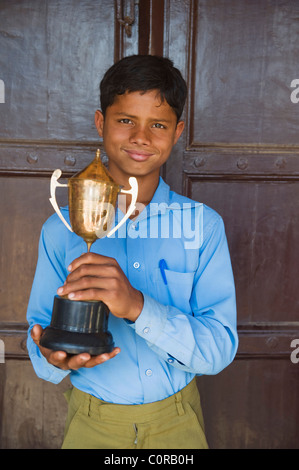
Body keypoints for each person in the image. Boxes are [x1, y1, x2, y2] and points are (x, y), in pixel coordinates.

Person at [26, 55, 238, 449]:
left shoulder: (203, 226)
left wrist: (138, 306)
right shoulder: (61, 229)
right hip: (92, 423)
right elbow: (39, 333)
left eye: (157, 125)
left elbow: (219, 349)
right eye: (126, 120)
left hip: (178, 423)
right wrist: (52, 357)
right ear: (100, 123)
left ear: (177, 133)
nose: (141, 137)